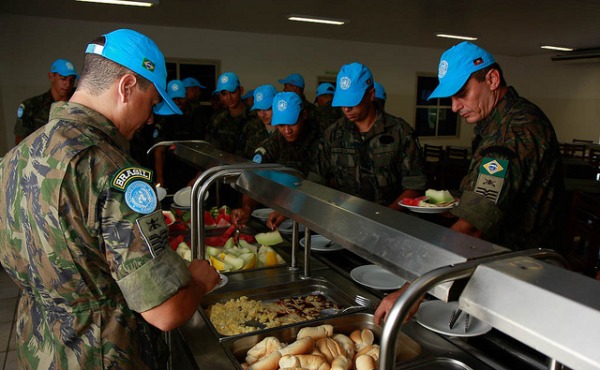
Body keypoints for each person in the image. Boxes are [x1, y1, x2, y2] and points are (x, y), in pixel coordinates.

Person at [0, 29, 220, 370]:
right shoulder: (116, 172)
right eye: (151, 102)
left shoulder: (17, 156)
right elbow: (163, 312)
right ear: (127, 85)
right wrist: (198, 281)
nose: (151, 118)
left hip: (41, 360)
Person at [375, 41, 564, 325]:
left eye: (461, 94)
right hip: (503, 263)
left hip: (524, 273)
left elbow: (473, 227)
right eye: (451, 97)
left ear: (492, 79)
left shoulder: (513, 131)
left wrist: (412, 289)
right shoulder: (499, 122)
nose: (454, 108)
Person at [318, 62, 426, 207]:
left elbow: (415, 186)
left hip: (391, 219)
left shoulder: (400, 132)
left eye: (352, 102)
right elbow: (317, 179)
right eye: (342, 102)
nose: (346, 109)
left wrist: (385, 217)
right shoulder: (333, 133)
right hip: (344, 219)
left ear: (371, 95)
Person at [232, 91, 321, 228]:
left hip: (315, 220)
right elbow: (253, 176)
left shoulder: (321, 142)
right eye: (280, 125)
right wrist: (247, 209)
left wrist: (289, 209)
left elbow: (321, 188)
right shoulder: (273, 143)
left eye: (292, 123)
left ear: (304, 115)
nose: (287, 131)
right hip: (281, 217)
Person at [153, 79, 206, 190]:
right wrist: (160, 178)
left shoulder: (196, 114)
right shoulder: (162, 116)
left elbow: (203, 148)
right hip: (170, 169)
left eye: (180, 98)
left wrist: (198, 176)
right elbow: (159, 150)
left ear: (186, 96)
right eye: (174, 99)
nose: (178, 102)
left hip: (191, 168)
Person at [14, 58, 79, 144]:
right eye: (63, 78)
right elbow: (20, 142)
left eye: (72, 80)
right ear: (51, 76)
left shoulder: (78, 101)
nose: (68, 84)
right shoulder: (32, 106)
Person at [207, 71, 249, 156]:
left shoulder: (255, 116)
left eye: (232, 92)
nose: (229, 97)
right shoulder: (217, 119)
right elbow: (210, 148)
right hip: (223, 167)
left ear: (241, 90)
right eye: (224, 94)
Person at [241, 84, 278, 159]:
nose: (262, 115)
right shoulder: (251, 127)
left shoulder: (287, 130)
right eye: (258, 110)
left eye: (267, 109)